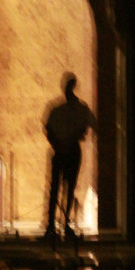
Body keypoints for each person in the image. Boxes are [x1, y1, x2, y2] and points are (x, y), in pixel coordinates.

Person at [44, 73, 97, 239]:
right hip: (66, 149)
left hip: (65, 149)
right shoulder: (72, 109)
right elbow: (49, 130)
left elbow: (49, 130)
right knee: (59, 189)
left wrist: (60, 143)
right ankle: (55, 224)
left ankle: (59, 224)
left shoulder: (60, 109)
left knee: (62, 189)